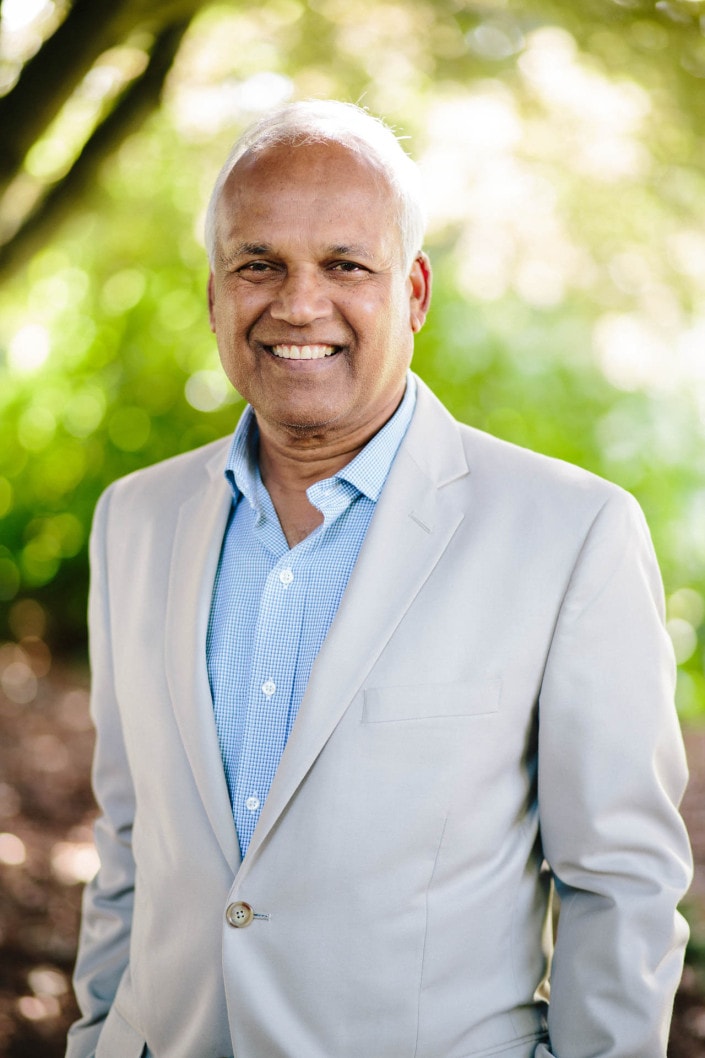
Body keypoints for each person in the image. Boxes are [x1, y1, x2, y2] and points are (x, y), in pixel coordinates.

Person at [66, 100, 692, 1058]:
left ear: (414, 292)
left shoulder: (572, 535)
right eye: (258, 263)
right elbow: (128, 845)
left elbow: (620, 891)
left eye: (345, 265)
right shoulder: (134, 521)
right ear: (214, 293)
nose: (297, 304)